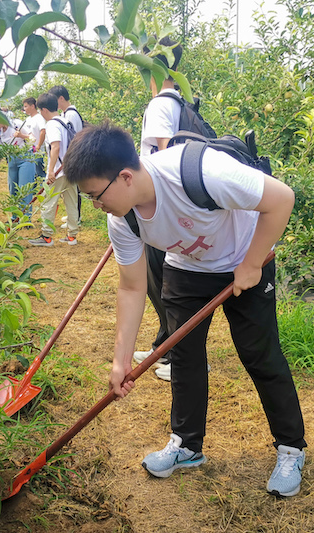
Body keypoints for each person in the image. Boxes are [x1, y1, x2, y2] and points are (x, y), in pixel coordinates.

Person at [63, 121, 307, 497]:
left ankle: (291, 448)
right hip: (186, 268)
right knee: (184, 356)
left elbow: (281, 199)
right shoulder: (123, 219)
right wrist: (120, 360)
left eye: (96, 196)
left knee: (259, 355)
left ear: (124, 177)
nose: (96, 206)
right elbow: (131, 287)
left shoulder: (201, 172)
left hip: (245, 258)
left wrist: (252, 263)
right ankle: (187, 445)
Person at [133, 37, 185, 382]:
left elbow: (168, 157)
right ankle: (164, 346)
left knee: (163, 284)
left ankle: (179, 356)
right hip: (174, 207)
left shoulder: (159, 105)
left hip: (162, 208)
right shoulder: (181, 100)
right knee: (163, 283)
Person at [27, 93, 79, 247]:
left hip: (58, 171)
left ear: (44, 110)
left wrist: (50, 171)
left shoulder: (52, 124)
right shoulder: (65, 121)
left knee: (48, 201)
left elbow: (55, 146)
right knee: (71, 202)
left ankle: (46, 237)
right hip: (70, 169)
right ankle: (72, 236)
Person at [48, 85, 84, 229]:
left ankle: (76, 218)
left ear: (61, 98)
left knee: (73, 191)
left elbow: (72, 138)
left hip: (70, 158)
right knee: (71, 191)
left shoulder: (71, 115)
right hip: (69, 158)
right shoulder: (66, 114)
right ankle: (73, 218)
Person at [0, 118, 35, 220]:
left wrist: (21, 136)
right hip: (12, 160)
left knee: (24, 189)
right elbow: (0, 150)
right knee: (13, 189)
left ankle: (25, 218)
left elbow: (33, 138)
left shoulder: (16, 124)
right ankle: (14, 217)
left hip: (25, 158)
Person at [15, 97, 47, 189]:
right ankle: (34, 189)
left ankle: (44, 189)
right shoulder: (28, 119)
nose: (24, 109)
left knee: (39, 171)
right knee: (32, 172)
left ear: (32, 106)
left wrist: (38, 145)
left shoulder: (39, 118)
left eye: (26, 106)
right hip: (28, 150)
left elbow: (43, 131)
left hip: (37, 150)